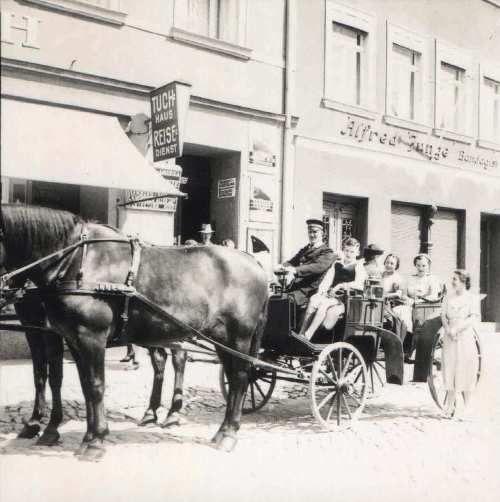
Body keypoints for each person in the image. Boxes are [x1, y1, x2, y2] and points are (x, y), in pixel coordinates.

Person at [299, 241, 384, 340]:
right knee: (314, 299)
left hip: (344, 297)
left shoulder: (358, 266)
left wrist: (341, 285)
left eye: (352, 252)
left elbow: (359, 284)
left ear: (357, 253)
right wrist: (322, 291)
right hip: (331, 294)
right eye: (346, 251)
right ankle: (302, 332)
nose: (348, 254)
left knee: (323, 305)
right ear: (343, 250)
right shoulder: (337, 264)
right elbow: (328, 279)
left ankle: (309, 334)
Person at [440, 270, 480, 419]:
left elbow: (473, 317)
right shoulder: (447, 298)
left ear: (464, 281)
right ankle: (450, 404)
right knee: (449, 366)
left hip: (465, 335)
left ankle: (467, 406)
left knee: (466, 367)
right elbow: (443, 315)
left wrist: (458, 328)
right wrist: (449, 329)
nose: (452, 282)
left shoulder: (471, 298)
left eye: (455, 279)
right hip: (450, 335)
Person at [276, 218, 335, 309]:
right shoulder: (306, 249)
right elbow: (292, 262)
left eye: (315, 232)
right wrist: (281, 266)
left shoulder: (327, 252)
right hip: (295, 288)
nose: (312, 235)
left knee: (282, 303)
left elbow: (317, 267)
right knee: (273, 298)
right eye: (310, 232)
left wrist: (295, 270)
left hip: (309, 291)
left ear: (322, 234)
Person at [382, 253, 411, 344]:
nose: (389, 265)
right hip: (380, 301)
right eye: (387, 262)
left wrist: (385, 296)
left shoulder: (398, 278)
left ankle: (394, 342)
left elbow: (398, 294)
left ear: (396, 266)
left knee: (391, 320)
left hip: (391, 303)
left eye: (392, 264)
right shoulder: (381, 275)